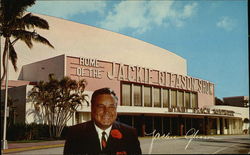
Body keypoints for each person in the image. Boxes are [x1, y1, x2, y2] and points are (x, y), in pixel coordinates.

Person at [64, 87, 142, 155]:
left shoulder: (130, 134)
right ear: (92, 108)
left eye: (111, 107)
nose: (106, 111)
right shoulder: (75, 133)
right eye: (101, 106)